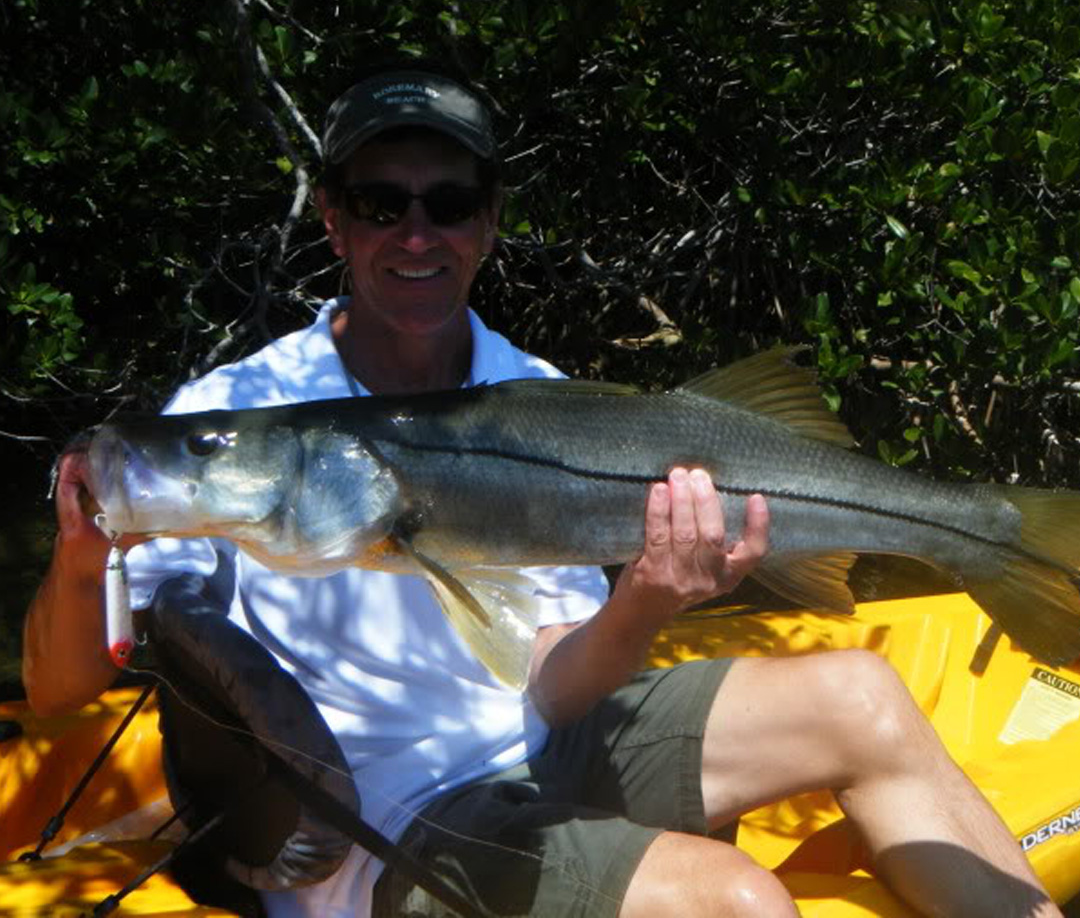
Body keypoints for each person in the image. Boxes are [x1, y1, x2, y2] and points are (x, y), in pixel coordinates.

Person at [24, 61, 1061, 918]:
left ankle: (986, 531)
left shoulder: (542, 396)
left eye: (451, 201)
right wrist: (83, 558)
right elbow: (61, 696)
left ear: (488, 222)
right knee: (734, 900)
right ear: (335, 221)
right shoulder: (241, 409)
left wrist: (653, 594)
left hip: (547, 741)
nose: (417, 233)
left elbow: (556, 683)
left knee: (865, 695)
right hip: (389, 821)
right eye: (384, 203)